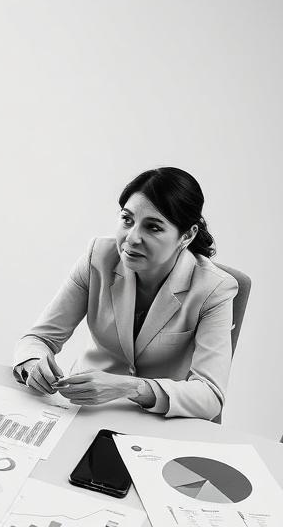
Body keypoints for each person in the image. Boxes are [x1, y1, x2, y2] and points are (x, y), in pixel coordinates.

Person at [12, 167, 238, 421]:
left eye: (153, 227)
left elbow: (210, 396)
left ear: (187, 236)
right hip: (82, 412)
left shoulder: (214, 289)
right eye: (127, 220)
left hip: (157, 424)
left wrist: (129, 387)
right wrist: (34, 363)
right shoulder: (98, 257)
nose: (132, 238)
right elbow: (38, 338)